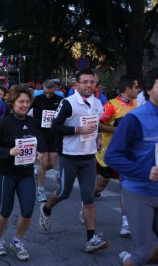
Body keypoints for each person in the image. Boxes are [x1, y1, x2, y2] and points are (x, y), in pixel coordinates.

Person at [39, 69, 110, 253]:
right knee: (63, 193)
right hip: (69, 156)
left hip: (88, 157)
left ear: (96, 84)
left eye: (92, 82)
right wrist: (77, 130)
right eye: (85, 82)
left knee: (88, 198)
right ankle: (46, 209)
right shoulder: (68, 103)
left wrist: (99, 135)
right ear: (77, 84)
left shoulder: (97, 103)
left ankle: (91, 238)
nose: (88, 85)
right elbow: (55, 128)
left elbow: (95, 123)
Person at [105, 68, 158, 266]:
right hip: (139, 192)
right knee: (141, 254)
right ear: (149, 90)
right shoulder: (134, 119)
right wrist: (146, 171)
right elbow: (113, 157)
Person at [79, 75, 138, 235]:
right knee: (100, 185)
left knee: (126, 187)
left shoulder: (136, 104)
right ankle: (87, 203)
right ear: (128, 89)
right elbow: (98, 124)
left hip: (128, 153)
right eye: (136, 87)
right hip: (109, 152)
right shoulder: (111, 105)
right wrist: (117, 130)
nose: (139, 91)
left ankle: (126, 223)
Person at [0, 85, 40, 261]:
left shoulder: (32, 122)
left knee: (27, 212)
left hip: (25, 173)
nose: (24, 105)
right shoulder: (4, 123)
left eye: (27, 102)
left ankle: (17, 240)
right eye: (20, 102)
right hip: (6, 173)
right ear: (12, 103)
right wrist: (8, 152)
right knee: (6, 210)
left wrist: (37, 153)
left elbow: (34, 143)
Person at [30, 80, 63, 202]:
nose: (48, 95)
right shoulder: (37, 99)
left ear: (55, 89)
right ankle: (40, 190)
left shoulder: (60, 99)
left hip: (53, 133)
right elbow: (26, 109)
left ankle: (36, 171)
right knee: (44, 162)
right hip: (40, 132)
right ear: (42, 88)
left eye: (50, 93)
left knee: (52, 164)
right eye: (46, 92)